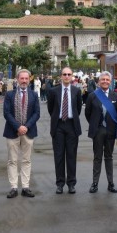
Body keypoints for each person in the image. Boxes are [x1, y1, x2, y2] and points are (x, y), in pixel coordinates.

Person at [3, 69, 40, 199]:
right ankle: (13, 187)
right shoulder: (9, 94)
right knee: (12, 160)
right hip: (12, 131)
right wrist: (18, 126)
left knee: (26, 160)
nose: (24, 81)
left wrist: (26, 127)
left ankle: (25, 187)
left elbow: (37, 113)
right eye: (22, 78)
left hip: (28, 132)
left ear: (29, 79)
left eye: (26, 78)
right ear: (17, 79)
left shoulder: (34, 95)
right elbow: (6, 113)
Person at [85, 71, 117, 193]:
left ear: (110, 82)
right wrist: (95, 124)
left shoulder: (116, 96)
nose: (105, 81)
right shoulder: (92, 96)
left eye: (107, 79)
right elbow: (88, 113)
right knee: (97, 157)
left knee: (109, 157)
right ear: (99, 81)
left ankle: (110, 183)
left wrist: (112, 124)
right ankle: (95, 183)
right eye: (103, 79)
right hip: (98, 130)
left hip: (111, 130)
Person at [48, 66, 83, 194]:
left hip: (72, 126)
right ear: (61, 76)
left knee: (71, 155)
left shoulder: (76, 91)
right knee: (59, 156)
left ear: (72, 76)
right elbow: (51, 109)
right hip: (58, 126)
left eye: (69, 74)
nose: (67, 76)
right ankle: (60, 183)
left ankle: (71, 183)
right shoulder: (53, 91)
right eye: (64, 74)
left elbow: (78, 109)